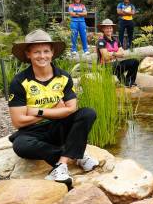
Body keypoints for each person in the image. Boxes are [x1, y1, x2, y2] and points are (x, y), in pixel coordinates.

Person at [7, 29, 98, 186]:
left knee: (88, 113)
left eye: (46, 51)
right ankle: (75, 155)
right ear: (28, 54)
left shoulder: (63, 77)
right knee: (20, 146)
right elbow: (18, 121)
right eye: (37, 52)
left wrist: (38, 110)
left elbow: (71, 109)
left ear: (52, 52)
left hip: (59, 127)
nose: (42, 56)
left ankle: (60, 165)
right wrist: (55, 111)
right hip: (33, 131)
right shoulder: (19, 81)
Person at [96, 19, 140, 87]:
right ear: (103, 29)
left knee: (135, 62)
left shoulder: (116, 40)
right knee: (117, 67)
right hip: (105, 66)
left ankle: (130, 81)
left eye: (110, 28)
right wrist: (115, 53)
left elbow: (122, 54)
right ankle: (125, 82)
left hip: (116, 65)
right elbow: (106, 57)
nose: (109, 30)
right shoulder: (101, 41)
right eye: (107, 28)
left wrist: (112, 53)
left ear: (112, 29)